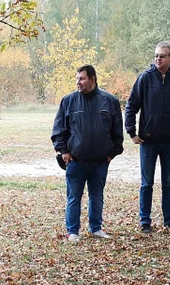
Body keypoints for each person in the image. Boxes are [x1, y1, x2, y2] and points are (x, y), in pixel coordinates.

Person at [124, 41, 170, 232]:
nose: (158, 59)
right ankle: (145, 221)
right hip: (148, 141)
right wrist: (132, 132)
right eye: (156, 55)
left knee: (168, 184)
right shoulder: (145, 79)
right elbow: (131, 106)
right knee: (146, 183)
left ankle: (168, 220)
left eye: (162, 56)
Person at [51, 65, 124, 243]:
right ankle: (73, 231)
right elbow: (59, 130)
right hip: (76, 161)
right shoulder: (68, 101)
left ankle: (96, 228)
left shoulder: (110, 101)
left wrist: (111, 153)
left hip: (100, 161)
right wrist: (64, 152)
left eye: (82, 79)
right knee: (74, 197)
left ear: (93, 79)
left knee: (97, 196)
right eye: (77, 79)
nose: (78, 82)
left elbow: (117, 133)